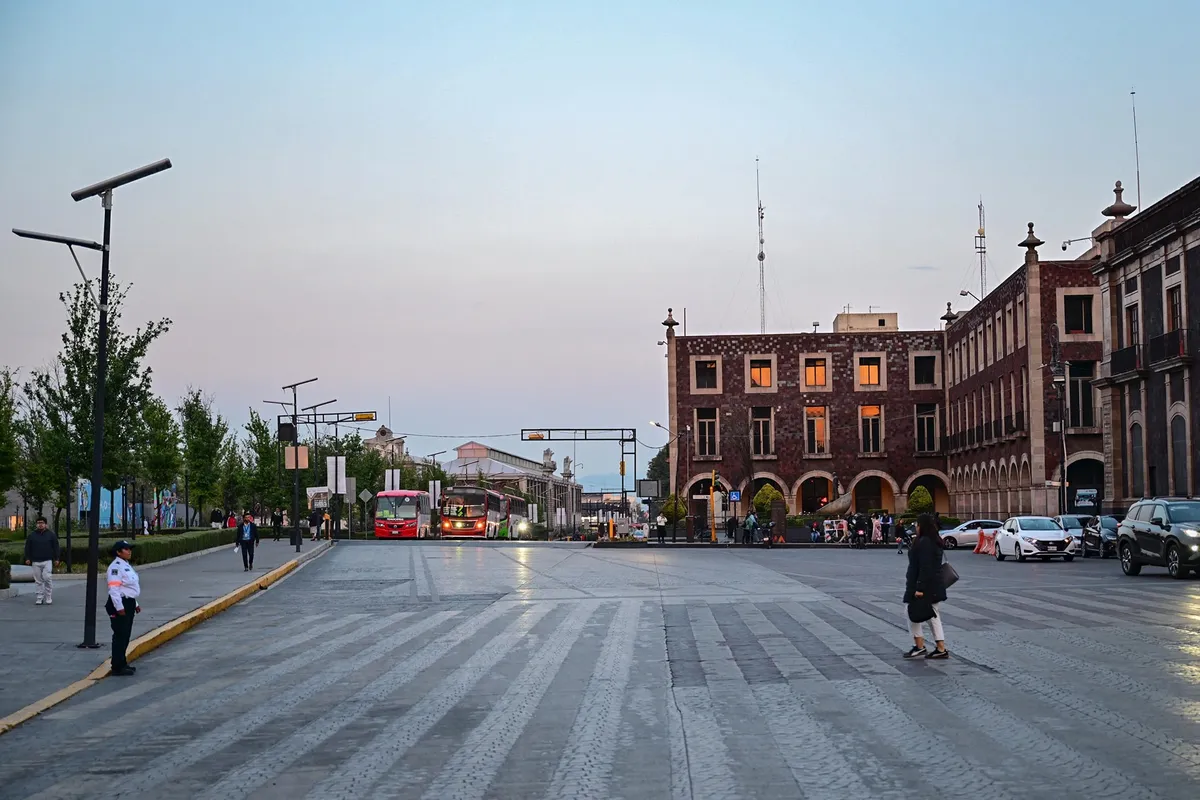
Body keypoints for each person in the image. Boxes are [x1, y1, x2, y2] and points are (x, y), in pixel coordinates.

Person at [903, 513, 949, 660]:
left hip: (925, 585)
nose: (916, 527)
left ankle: (923, 646)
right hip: (930, 584)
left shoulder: (925, 542)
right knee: (931, 615)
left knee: (917, 613)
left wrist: (919, 588)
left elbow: (925, 567)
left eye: (917, 524)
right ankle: (932, 646)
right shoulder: (931, 540)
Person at [105, 540, 141, 676]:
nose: (129, 551)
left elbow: (128, 588)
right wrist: (119, 608)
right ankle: (117, 666)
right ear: (118, 552)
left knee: (126, 635)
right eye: (126, 549)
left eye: (129, 549)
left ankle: (122, 662)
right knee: (120, 635)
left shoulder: (126, 565)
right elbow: (114, 590)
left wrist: (135, 604)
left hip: (128, 602)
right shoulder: (115, 568)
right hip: (119, 604)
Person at [24, 516, 61, 606]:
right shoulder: (32, 535)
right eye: (38, 523)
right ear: (36, 524)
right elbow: (27, 547)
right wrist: (27, 558)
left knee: (47, 577)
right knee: (38, 580)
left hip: (47, 560)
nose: (40, 524)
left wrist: (57, 558)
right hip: (35, 561)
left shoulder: (51, 535)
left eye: (42, 523)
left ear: (45, 524)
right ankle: (39, 597)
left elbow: (56, 547)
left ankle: (48, 596)